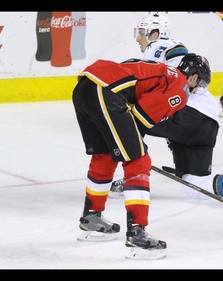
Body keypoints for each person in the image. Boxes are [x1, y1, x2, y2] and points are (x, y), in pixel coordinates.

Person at [111, 13, 223, 209]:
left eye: (142, 33)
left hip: (187, 115)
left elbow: (184, 67)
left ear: (155, 34)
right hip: (206, 124)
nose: (138, 38)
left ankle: (133, 176)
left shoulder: (158, 46)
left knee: (126, 119)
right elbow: (194, 66)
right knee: (195, 185)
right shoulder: (172, 48)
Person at [72, 55, 206, 260]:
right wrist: (135, 148)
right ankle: (137, 233)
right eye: (200, 85)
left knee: (105, 156)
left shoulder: (162, 71)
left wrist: (130, 143)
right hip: (108, 93)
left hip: (85, 88)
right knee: (138, 161)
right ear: (194, 78)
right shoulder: (179, 86)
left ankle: (91, 218)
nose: (196, 90)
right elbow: (142, 116)